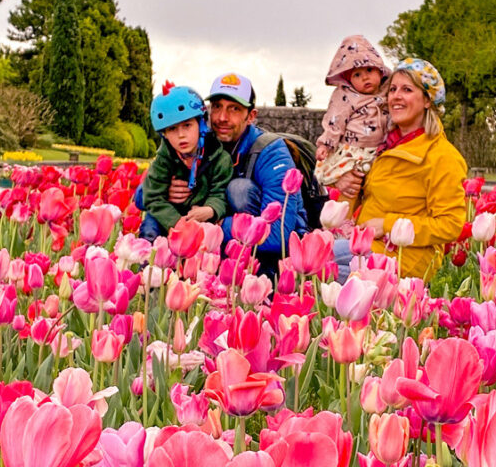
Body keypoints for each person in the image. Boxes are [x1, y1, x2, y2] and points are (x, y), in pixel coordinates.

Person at [334, 58, 469, 282]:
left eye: (407, 90)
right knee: (313, 255)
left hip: (404, 258)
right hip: (366, 244)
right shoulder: (382, 144)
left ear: (428, 100)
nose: (396, 96)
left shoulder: (442, 156)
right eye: (393, 89)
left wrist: (388, 225)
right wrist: (345, 183)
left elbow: (450, 225)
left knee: (320, 267)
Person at [163, 73, 306, 262]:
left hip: (273, 254)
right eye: (217, 107)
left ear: (251, 116)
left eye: (234, 109)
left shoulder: (271, 152)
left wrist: (214, 224)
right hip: (223, 248)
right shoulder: (197, 140)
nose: (222, 117)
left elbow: (277, 235)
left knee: (239, 190)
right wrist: (166, 188)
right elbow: (144, 193)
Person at [138, 83, 232, 241]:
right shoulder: (163, 160)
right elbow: (153, 198)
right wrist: (177, 224)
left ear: (201, 124)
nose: (181, 135)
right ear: (164, 134)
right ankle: (149, 256)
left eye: (187, 125)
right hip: (168, 217)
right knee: (149, 228)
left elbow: (220, 192)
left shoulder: (220, 158)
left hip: (201, 217)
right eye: (172, 129)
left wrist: (210, 209)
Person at [314, 35, 391, 206]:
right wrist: (326, 144)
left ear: (380, 70)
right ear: (348, 79)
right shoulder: (346, 96)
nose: (365, 78)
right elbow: (335, 121)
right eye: (357, 74)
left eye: (369, 70)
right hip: (353, 152)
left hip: (378, 151)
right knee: (350, 190)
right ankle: (342, 218)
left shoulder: (388, 91)